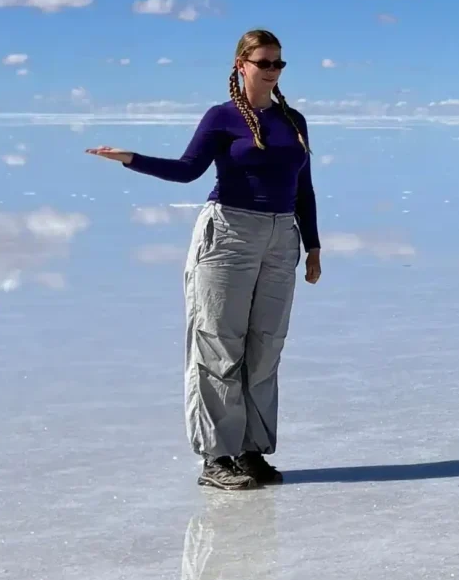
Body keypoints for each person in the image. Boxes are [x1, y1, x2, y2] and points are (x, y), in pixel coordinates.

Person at [87, 29, 321, 490]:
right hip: (228, 235)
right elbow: (187, 170)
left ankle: (252, 452)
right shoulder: (222, 117)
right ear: (241, 65)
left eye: (279, 64)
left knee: (265, 346)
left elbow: (304, 187)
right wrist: (131, 158)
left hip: (280, 239)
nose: (272, 71)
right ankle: (217, 457)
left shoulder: (293, 121)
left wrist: (312, 245)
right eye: (264, 63)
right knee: (218, 344)